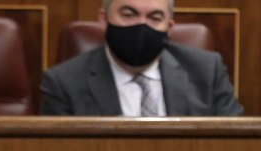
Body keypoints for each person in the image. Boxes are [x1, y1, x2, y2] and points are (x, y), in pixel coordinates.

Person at [40, 0, 243, 116]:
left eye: (155, 18)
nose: (141, 26)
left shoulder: (207, 71)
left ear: (169, 28)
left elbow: (236, 143)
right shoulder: (63, 82)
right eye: (128, 14)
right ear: (103, 19)